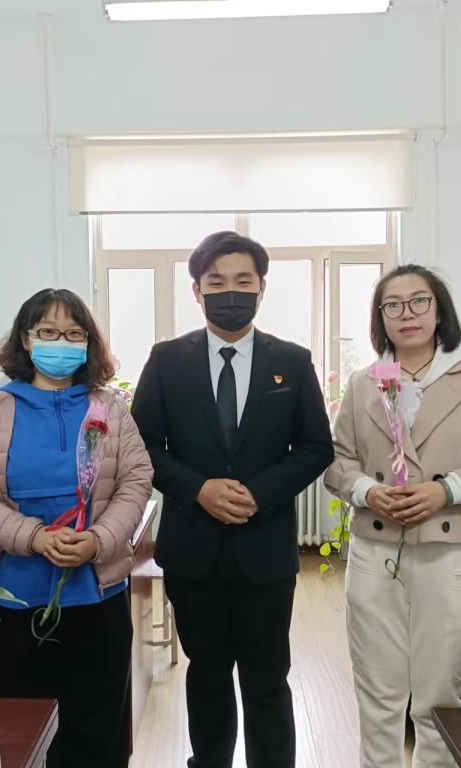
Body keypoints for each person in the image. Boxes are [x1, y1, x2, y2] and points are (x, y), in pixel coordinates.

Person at [132, 231, 334, 768]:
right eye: (216, 282)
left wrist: (259, 493)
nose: (230, 292)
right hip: (193, 549)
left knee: (268, 679)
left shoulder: (291, 361)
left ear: (262, 288)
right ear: (196, 291)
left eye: (243, 280)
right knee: (207, 674)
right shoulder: (166, 360)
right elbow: (142, 445)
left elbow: (316, 447)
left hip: (264, 551)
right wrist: (197, 488)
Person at [324, 264, 461, 767]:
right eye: (392, 305)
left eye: (420, 301)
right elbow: (337, 461)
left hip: (450, 552)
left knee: (439, 697)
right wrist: (367, 491)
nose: (407, 313)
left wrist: (447, 490)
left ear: (440, 312)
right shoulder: (364, 383)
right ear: (380, 318)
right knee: (378, 694)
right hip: (376, 551)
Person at [0, 288, 153, 768]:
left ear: (89, 344)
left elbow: (137, 480)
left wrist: (98, 541)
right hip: (12, 605)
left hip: (96, 599)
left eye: (74, 334)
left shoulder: (109, 409)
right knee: (23, 737)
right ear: (26, 339)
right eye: (48, 332)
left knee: (97, 737)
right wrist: (33, 536)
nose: (61, 342)